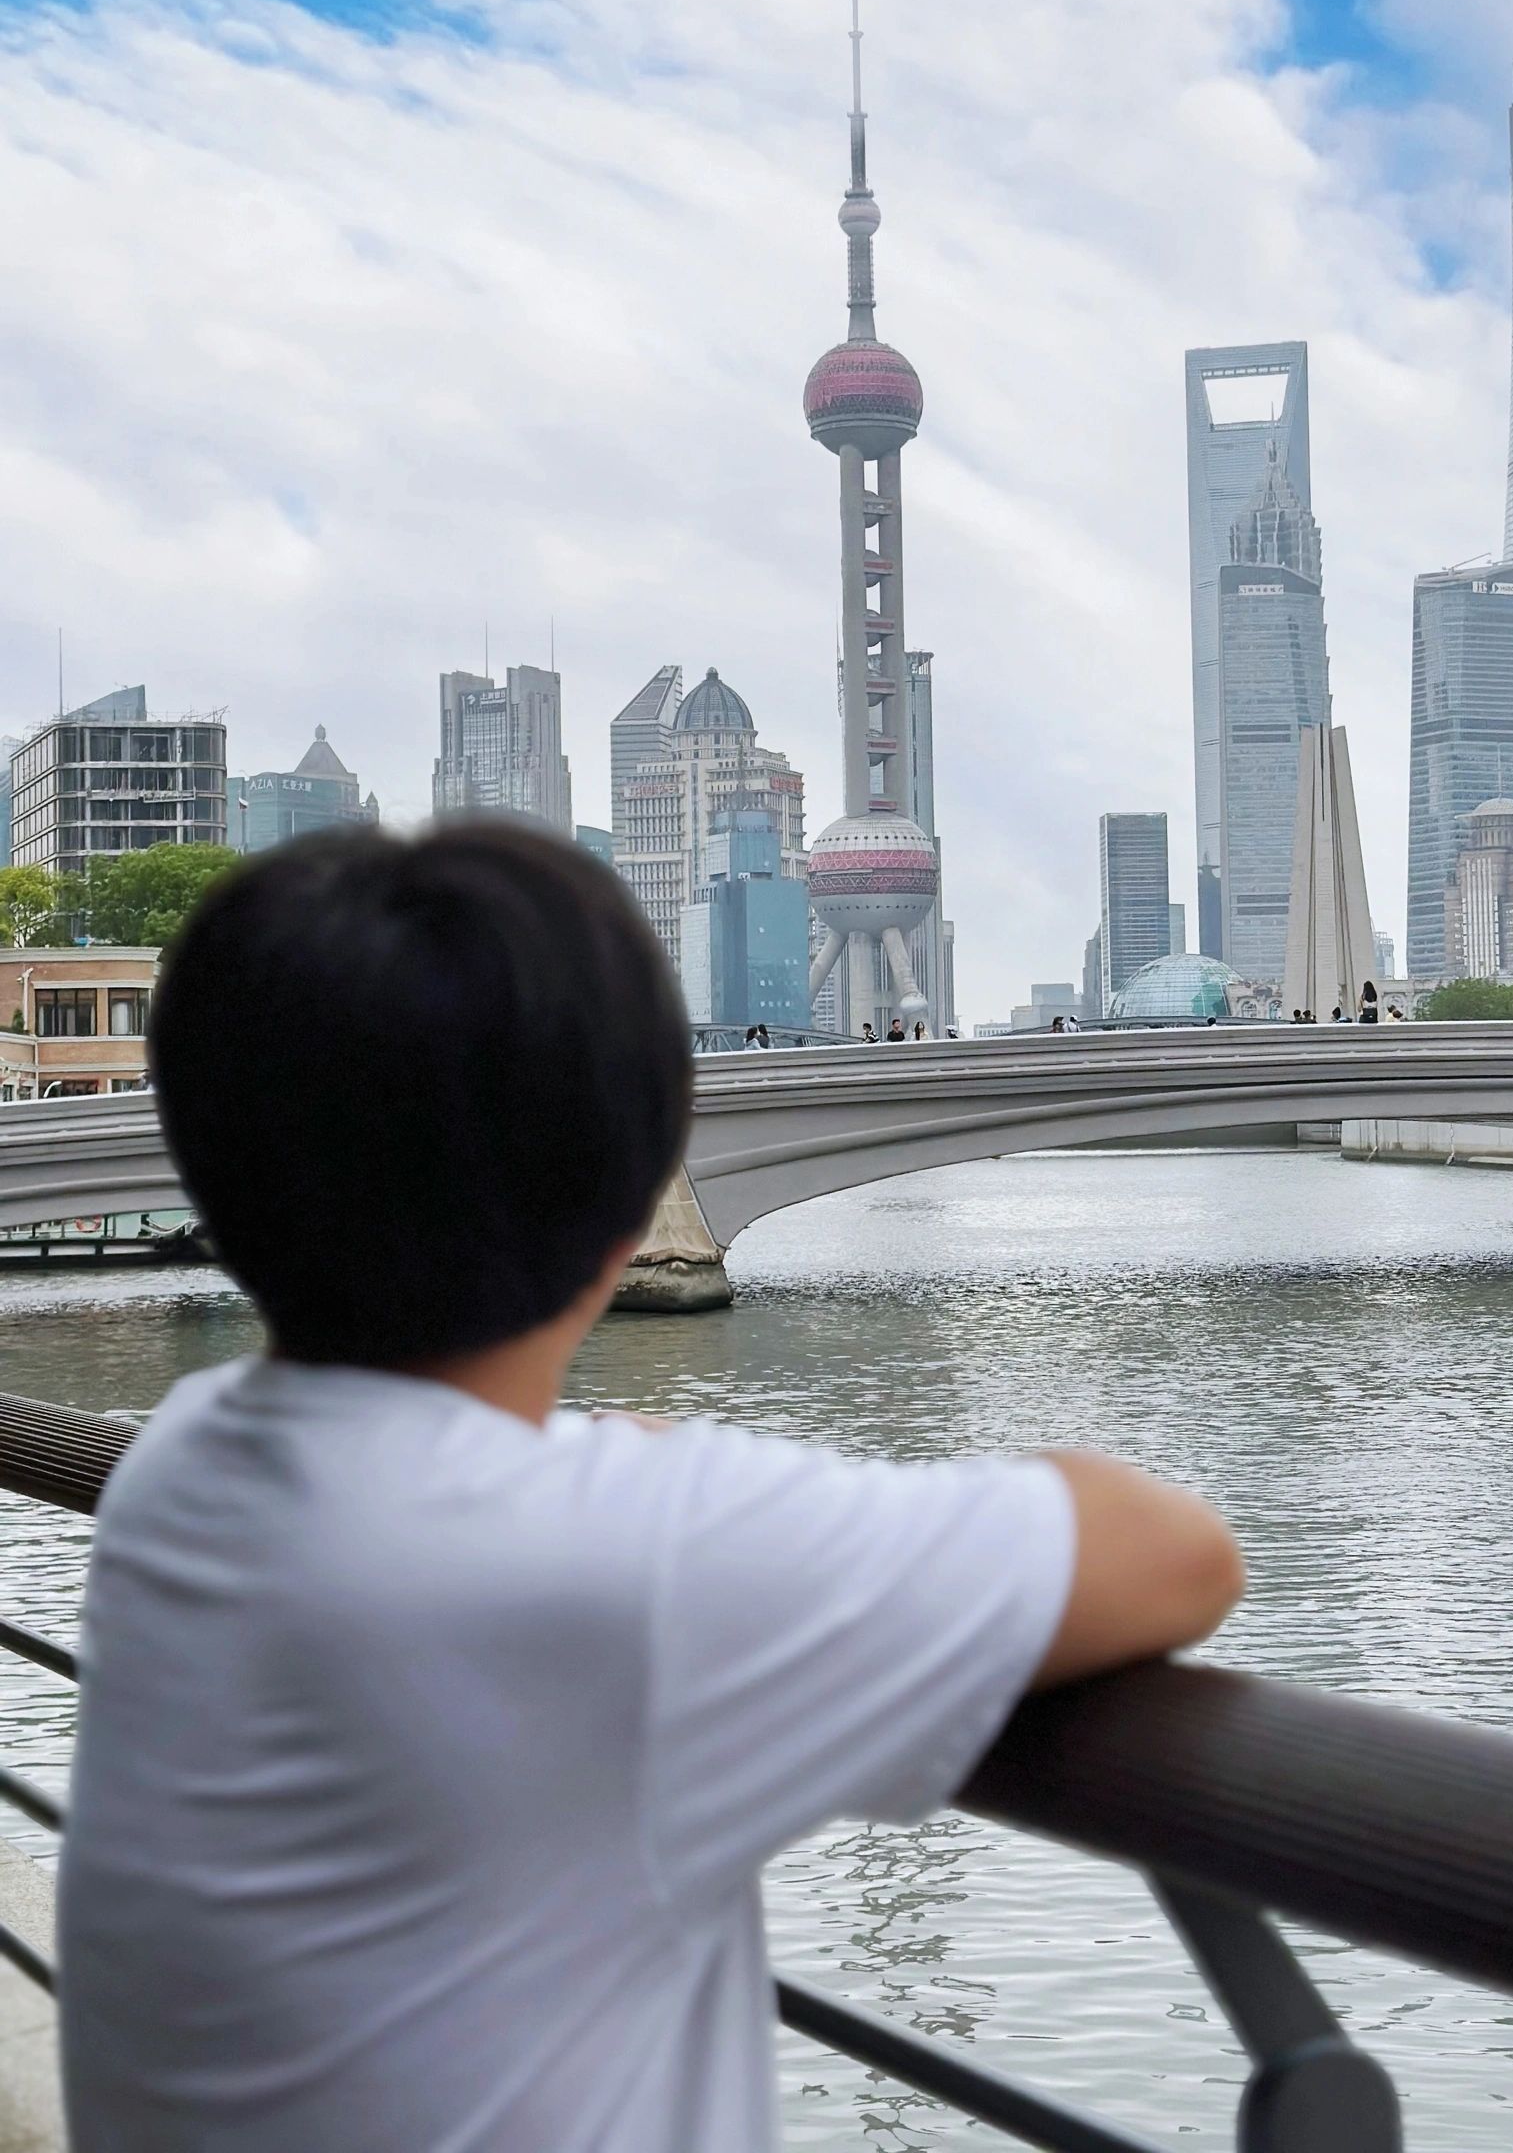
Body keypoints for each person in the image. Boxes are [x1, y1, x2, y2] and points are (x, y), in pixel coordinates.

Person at [57, 823, 1243, 2153]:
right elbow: (1177, 1553)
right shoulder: (615, 1553)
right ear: (635, 1198)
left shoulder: (182, 1465)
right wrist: (666, 1475)